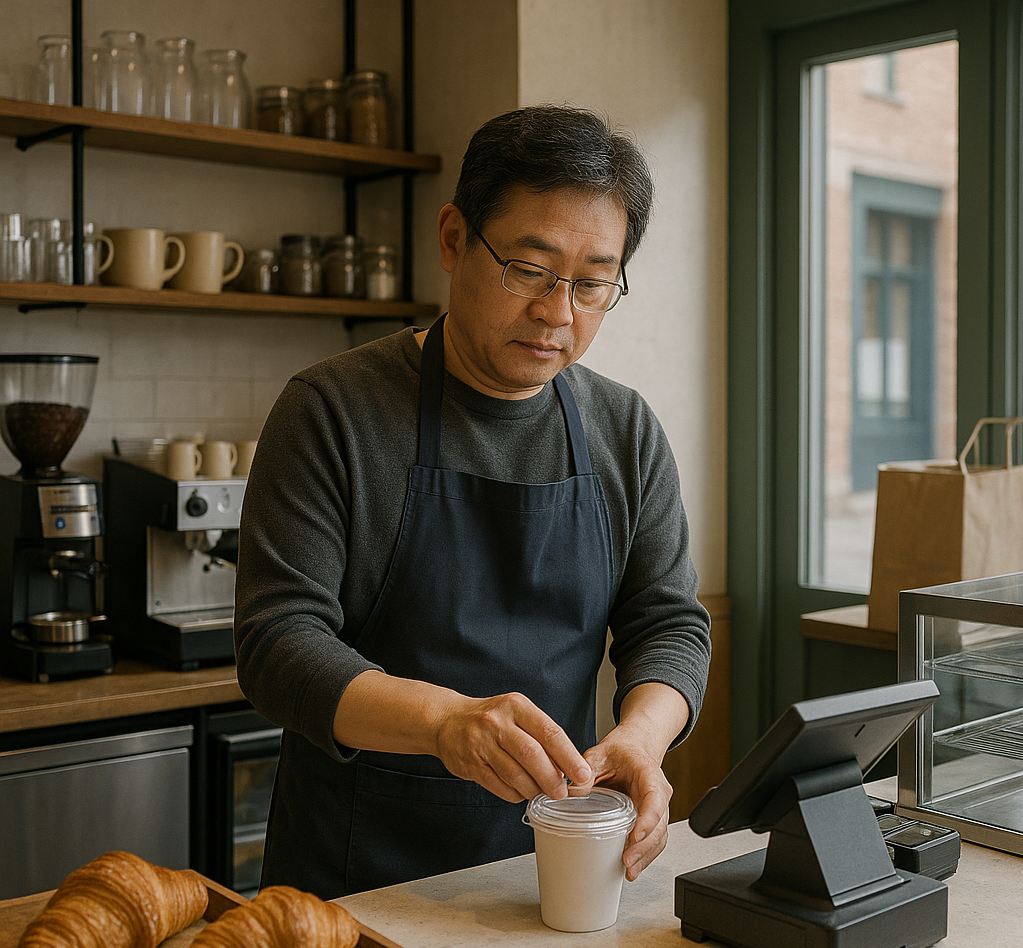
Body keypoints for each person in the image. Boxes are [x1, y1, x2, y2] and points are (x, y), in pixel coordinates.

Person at [234, 105, 712, 901]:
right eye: (530, 270)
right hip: (359, 883)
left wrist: (643, 736)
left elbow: (668, 622)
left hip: (552, 874)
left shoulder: (624, 429)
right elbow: (278, 643)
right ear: (454, 239)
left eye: (593, 283)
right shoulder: (331, 410)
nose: (559, 312)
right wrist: (443, 724)